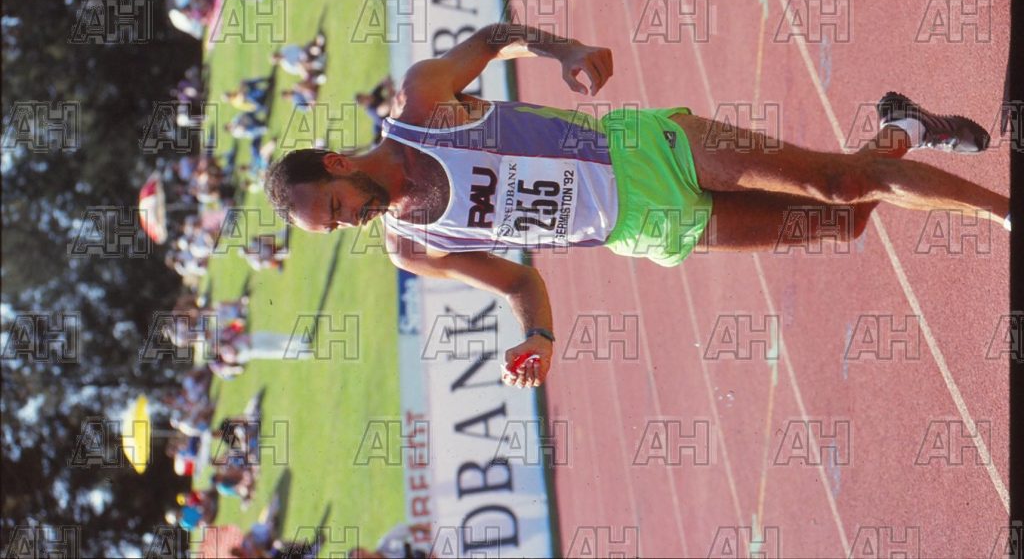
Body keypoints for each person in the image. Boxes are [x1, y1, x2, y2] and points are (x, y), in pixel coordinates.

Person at [262, 22, 1010, 390]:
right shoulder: (412, 248)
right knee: (842, 220)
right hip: (645, 228)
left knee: (839, 184)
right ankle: (905, 128)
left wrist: (562, 52)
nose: (348, 222)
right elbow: (519, 280)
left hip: (645, 150)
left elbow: (491, 39)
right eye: (334, 228)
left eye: (336, 207)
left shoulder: (422, 105)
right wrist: (539, 338)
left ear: (336, 164)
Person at [355, 76, 395, 143]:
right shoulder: (372, 110)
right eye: (363, 100)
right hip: (392, 125)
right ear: (364, 105)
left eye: (364, 96)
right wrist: (390, 90)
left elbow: (384, 80)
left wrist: (387, 82)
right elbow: (388, 106)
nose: (366, 97)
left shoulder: (373, 94)